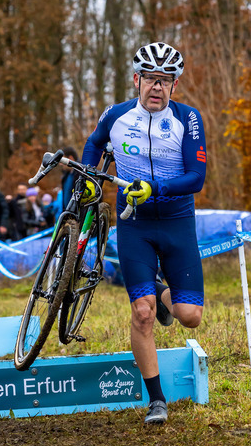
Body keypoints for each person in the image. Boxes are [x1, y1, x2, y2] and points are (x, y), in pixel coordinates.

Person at [82, 41, 206, 425]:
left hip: (176, 221)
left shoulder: (188, 119)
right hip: (134, 222)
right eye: (151, 79)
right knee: (142, 313)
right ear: (136, 80)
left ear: (174, 85)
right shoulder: (116, 115)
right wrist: (89, 179)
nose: (157, 87)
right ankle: (156, 400)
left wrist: (156, 187)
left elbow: (197, 177)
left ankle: (163, 295)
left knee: (190, 316)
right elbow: (93, 144)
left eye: (165, 81)